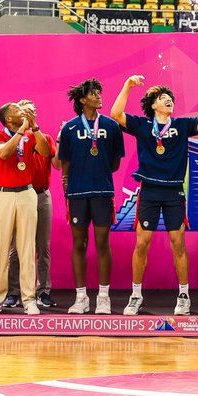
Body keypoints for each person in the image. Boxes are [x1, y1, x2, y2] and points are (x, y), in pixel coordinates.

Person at [111, 75, 198, 316]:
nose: (169, 101)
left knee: (178, 245)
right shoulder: (142, 126)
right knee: (142, 244)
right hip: (150, 191)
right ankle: (135, 295)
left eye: (171, 99)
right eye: (164, 99)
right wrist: (127, 85)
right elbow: (115, 114)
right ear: (153, 105)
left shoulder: (182, 125)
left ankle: (183, 295)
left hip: (174, 191)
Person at [58, 78, 125, 315]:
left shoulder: (112, 126)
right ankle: (81, 297)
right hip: (77, 194)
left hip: (103, 191)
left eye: (99, 92)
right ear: (82, 99)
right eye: (93, 93)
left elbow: (115, 163)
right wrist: (68, 188)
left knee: (102, 243)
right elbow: (64, 163)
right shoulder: (69, 128)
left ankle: (104, 297)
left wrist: (98, 171)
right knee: (79, 243)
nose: (98, 96)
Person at [0, 101, 53, 316]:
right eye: (17, 110)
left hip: (26, 193)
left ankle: (29, 299)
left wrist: (34, 127)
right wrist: (21, 131)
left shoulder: (30, 133)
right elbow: (4, 153)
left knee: (26, 249)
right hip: (2, 194)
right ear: (8, 119)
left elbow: (44, 152)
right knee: (1, 250)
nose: (22, 111)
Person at [3, 98, 57, 310]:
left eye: (32, 111)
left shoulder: (43, 136)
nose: (29, 115)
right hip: (19, 195)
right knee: (16, 248)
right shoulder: (12, 138)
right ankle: (14, 291)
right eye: (24, 112)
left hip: (41, 195)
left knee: (43, 246)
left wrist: (35, 128)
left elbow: (51, 158)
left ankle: (43, 290)